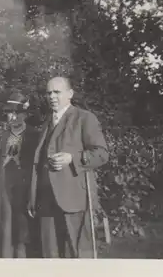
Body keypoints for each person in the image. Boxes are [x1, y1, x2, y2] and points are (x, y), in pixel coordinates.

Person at [27, 77, 109, 258]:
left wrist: (72, 158)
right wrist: (33, 198)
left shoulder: (84, 118)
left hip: (74, 200)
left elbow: (102, 154)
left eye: (57, 92)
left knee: (79, 255)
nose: (51, 97)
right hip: (46, 200)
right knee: (50, 256)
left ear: (70, 94)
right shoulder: (47, 122)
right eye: (48, 93)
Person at [0, 91, 39, 258]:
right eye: (9, 113)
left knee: (22, 235)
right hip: (2, 190)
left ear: (22, 114)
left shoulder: (35, 136)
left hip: (24, 191)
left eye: (14, 113)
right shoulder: (2, 138)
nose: (10, 117)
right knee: (2, 232)